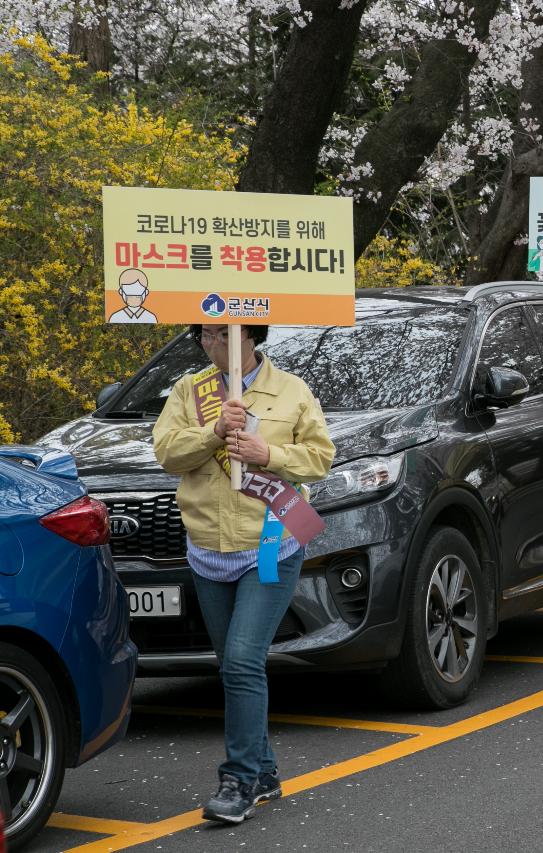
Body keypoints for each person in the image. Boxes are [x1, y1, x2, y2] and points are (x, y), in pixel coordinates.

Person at [153, 324, 334, 824]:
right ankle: (267, 770)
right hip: (208, 547)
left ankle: (239, 779)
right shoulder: (191, 392)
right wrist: (211, 431)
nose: (212, 344)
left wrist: (268, 455)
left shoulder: (290, 390)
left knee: (240, 661)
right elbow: (167, 453)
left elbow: (320, 458)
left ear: (250, 336)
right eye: (206, 336)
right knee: (234, 665)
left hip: (272, 542)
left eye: (221, 334)